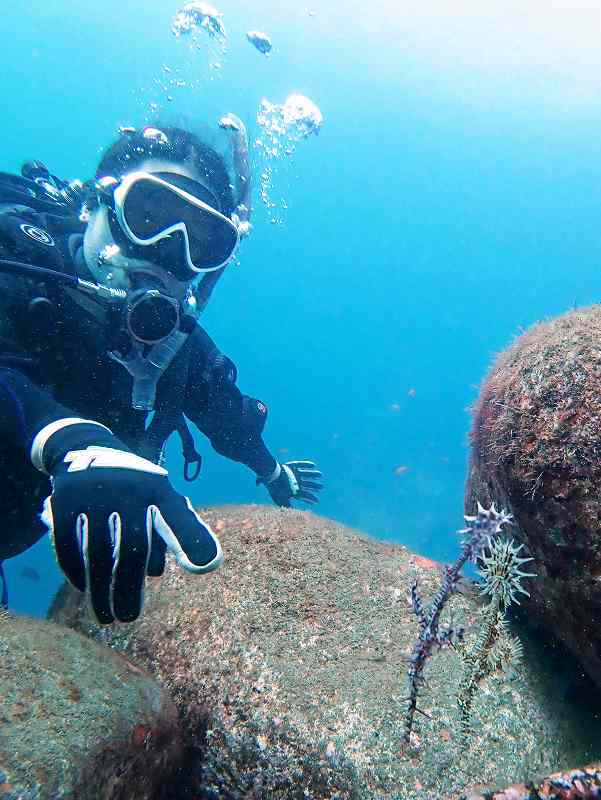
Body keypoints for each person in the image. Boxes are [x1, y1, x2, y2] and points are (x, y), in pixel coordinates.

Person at [0, 122, 323, 624]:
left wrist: (271, 471)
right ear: (95, 205)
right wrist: (65, 435)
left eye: (201, 241)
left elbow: (225, 415)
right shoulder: (13, 265)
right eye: (149, 215)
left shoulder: (173, 348)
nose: (170, 251)